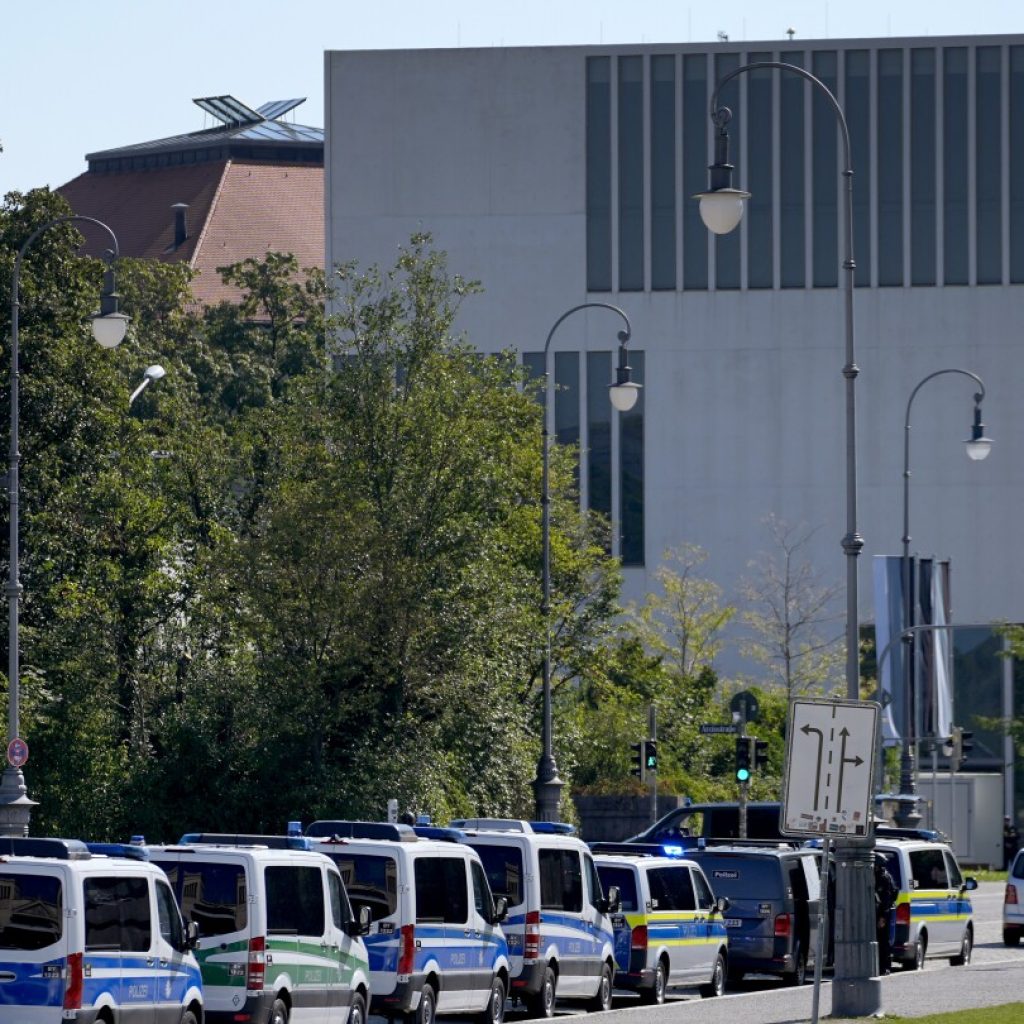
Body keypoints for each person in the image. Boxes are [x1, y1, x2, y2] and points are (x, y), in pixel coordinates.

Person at [874, 854, 898, 975]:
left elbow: (887, 897)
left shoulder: (883, 877)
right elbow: (895, 892)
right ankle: (883, 966)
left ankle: (884, 967)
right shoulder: (885, 875)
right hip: (882, 913)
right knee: (882, 940)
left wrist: (882, 916)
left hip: (882, 914)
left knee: (882, 941)